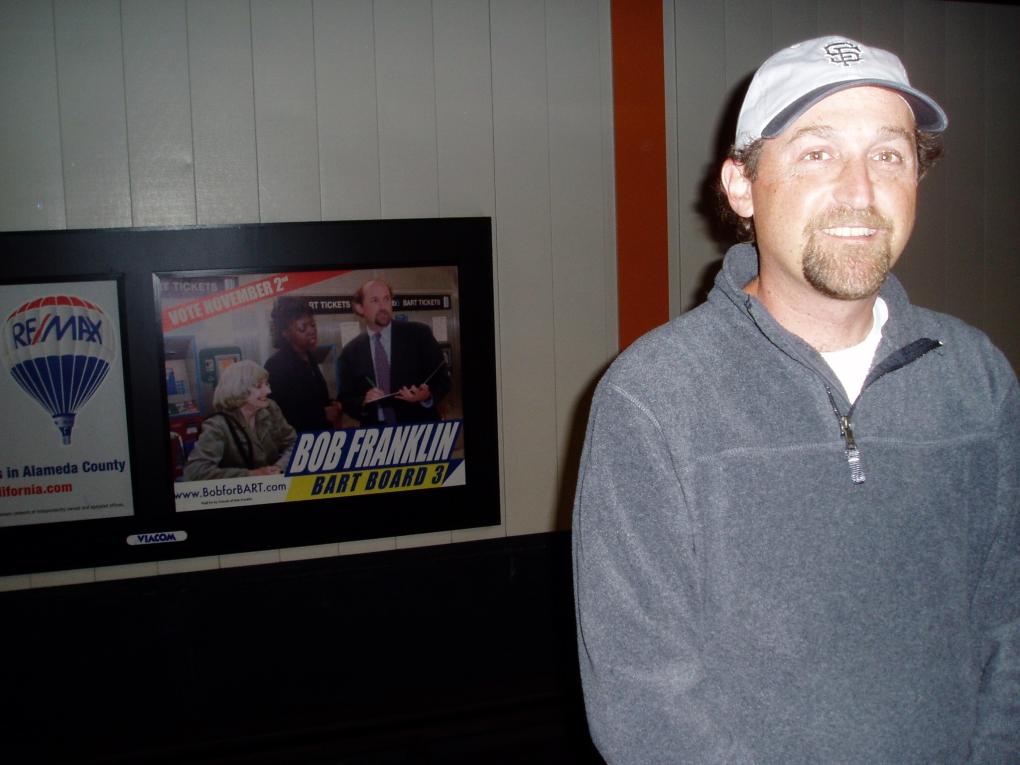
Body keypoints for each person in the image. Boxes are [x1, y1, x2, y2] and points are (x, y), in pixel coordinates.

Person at [573, 36, 1019, 763]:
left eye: (889, 155)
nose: (860, 191)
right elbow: (643, 705)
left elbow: (1009, 624)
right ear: (741, 186)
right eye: (817, 152)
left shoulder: (977, 378)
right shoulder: (654, 398)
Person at [339, 278, 451, 425]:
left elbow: (443, 379)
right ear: (360, 308)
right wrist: (363, 401)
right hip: (377, 437)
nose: (383, 306)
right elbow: (345, 398)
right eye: (375, 300)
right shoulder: (350, 352)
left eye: (386, 299)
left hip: (419, 430)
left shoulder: (419, 334)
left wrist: (427, 396)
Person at [184, 360, 296, 480]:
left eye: (266, 384)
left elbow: (295, 444)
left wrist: (279, 467)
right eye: (259, 386)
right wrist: (251, 474)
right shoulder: (218, 425)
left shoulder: (270, 409)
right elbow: (195, 472)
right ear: (239, 389)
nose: (268, 391)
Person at [264, 296, 341, 433]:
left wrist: (330, 404)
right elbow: (280, 415)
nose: (311, 331)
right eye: (302, 328)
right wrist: (322, 414)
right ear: (285, 333)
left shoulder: (308, 357)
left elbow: (310, 399)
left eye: (312, 325)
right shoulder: (276, 366)